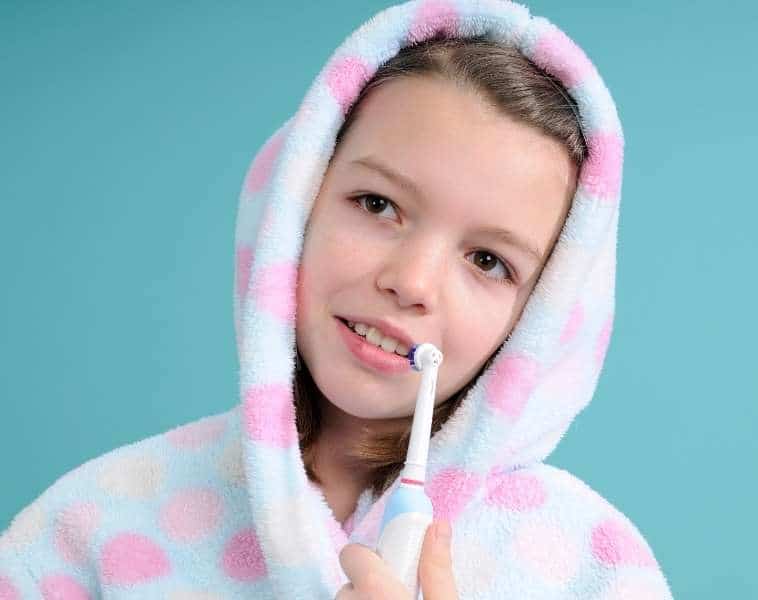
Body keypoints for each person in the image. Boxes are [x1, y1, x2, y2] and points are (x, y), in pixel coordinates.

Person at [0, 1, 674, 598]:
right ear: (296, 201)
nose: (410, 282)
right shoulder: (89, 533)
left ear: (540, 317)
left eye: (488, 261)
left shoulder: (592, 572)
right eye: (377, 204)